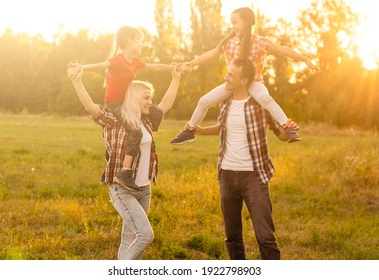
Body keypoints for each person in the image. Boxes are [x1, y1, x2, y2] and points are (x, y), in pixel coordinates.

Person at [67, 62, 181, 260]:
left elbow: (166, 103)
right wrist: (77, 81)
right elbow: (92, 108)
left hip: (144, 190)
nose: (150, 102)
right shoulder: (116, 120)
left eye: (150, 98)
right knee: (145, 235)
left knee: (129, 239)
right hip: (122, 190)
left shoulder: (146, 120)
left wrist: (176, 77)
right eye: (146, 98)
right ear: (135, 97)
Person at [195, 59, 299, 260]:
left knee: (265, 236)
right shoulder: (224, 103)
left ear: (244, 80)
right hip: (226, 174)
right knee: (232, 236)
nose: (226, 77)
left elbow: (281, 134)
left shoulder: (260, 104)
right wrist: (199, 130)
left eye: (231, 75)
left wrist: (290, 128)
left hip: (254, 177)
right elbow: (223, 128)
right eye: (227, 72)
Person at [170, 7, 318, 145]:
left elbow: (282, 50)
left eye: (235, 22)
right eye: (231, 23)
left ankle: (288, 126)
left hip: (254, 83)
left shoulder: (259, 42)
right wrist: (191, 63)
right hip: (233, 83)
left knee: (265, 98)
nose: (232, 26)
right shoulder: (229, 42)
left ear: (246, 22)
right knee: (204, 101)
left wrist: (304, 59)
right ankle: (189, 130)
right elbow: (211, 53)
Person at [77, 26, 186, 191]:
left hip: (127, 104)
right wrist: (81, 68)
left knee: (141, 124)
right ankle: (124, 172)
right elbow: (101, 65)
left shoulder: (135, 62)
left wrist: (172, 68)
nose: (141, 44)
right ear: (129, 41)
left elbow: (154, 67)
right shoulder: (117, 60)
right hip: (114, 105)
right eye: (139, 40)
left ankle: (124, 170)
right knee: (135, 131)